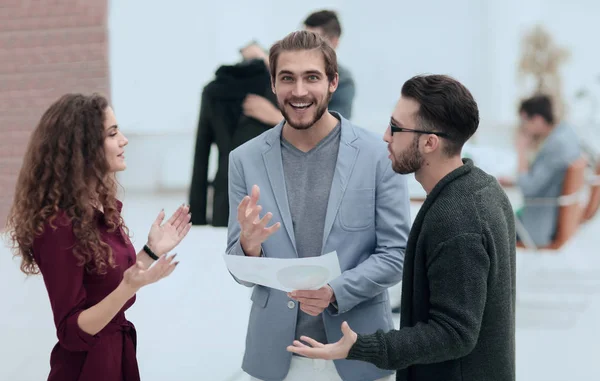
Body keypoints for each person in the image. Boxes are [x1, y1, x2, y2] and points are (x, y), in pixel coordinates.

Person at [287, 74, 517, 381]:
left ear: (429, 143)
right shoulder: (482, 188)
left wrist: (359, 346)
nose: (385, 136)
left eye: (396, 128)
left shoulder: (457, 219)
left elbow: (454, 333)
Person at [226, 31, 410, 381]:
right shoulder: (244, 160)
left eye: (311, 77)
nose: (298, 91)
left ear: (332, 82)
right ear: (273, 84)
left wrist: (334, 293)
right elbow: (239, 271)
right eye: (287, 78)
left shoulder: (378, 156)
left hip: (360, 351)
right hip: (276, 357)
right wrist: (248, 246)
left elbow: (397, 253)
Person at [4, 93, 192, 381]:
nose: (124, 140)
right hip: (86, 369)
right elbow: (70, 330)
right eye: (112, 133)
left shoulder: (99, 209)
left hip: (116, 357)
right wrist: (128, 289)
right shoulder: (57, 227)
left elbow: (112, 282)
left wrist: (150, 251)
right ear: (83, 147)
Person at [241, 9, 355, 126]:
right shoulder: (274, 61)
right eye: (288, 78)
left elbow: (335, 129)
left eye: (312, 78)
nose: (307, 45)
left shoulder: (344, 81)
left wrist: (274, 116)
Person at [498, 94, 581, 247]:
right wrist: (516, 180)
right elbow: (546, 178)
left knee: (484, 226)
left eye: (524, 121)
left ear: (537, 120)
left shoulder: (556, 145)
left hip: (537, 228)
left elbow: (528, 189)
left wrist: (521, 151)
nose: (523, 127)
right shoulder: (566, 133)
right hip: (553, 216)